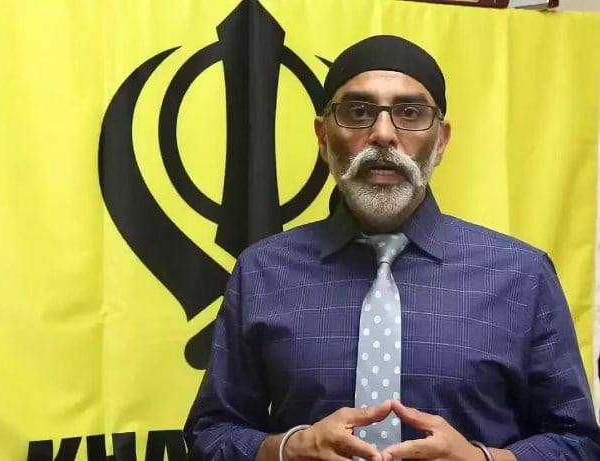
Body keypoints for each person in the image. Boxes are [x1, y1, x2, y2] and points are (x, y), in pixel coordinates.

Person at [183, 35, 600, 461]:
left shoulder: (521, 274)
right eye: (358, 112)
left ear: (441, 141)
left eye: (410, 113)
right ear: (323, 137)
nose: (383, 134)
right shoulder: (262, 271)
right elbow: (210, 435)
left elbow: (579, 443)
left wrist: (485, 460)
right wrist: (287, 449)